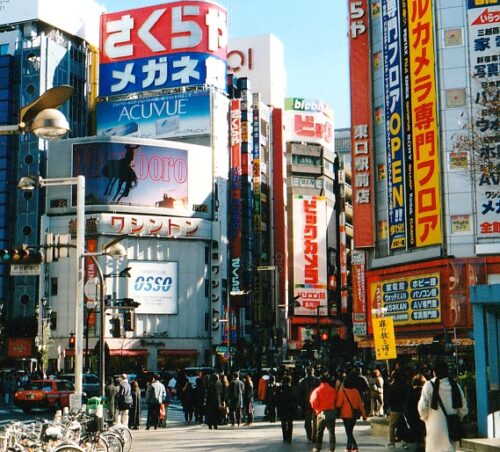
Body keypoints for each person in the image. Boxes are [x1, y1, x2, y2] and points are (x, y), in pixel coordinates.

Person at [418, 360, 468, 452]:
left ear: (434, 372)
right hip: (451, 430)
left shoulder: (428, 385)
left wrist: (425, 418)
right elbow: (463, 409)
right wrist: (457, 419)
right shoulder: (455, 386)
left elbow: (422, 407)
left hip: (434, 429)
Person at [336, 372, 367, 452]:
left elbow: (339, 404)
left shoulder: (342, 391)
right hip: (354, 415)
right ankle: (348, 447)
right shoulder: (356, 391)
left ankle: (355, 446)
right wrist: (364, 415)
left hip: (346, 415)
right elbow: (360, 404)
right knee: (350, 431)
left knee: (348, 432)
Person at [309, 373, 338, 452]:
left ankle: (317, 447)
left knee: (319, 432)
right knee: (331, 432)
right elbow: (336, 400)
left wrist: (317, 409)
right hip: (331, 412)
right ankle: (332, 449)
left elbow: (313, 402)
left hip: (321, 413)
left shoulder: (317, 390)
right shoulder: (332, 390)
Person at [400, 374, 426, 452]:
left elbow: (406, 411)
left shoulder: (410, 394)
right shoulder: (427, 394)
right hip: (426, 424)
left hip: (413, 426)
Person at [385, 369, 409, 448]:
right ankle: (404, 442)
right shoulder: (404, 385)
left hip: (394, 408)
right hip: (403, 408)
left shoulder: (392, 386)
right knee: (402, 425)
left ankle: (392, 442)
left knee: (392, 425)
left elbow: (389, 398)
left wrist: (388, 407)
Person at [298, 366, 320, 442]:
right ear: (313, 371)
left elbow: (300, 394)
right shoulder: (317, 380)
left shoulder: (302, 381)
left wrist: (300, 404)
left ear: (306, 372)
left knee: (307, 420)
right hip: (316, 403)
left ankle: (309, 435)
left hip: (307, 403)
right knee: (315, 420)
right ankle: (314, 435)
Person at [276, 374, 297, 444]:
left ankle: (285, 436)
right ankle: (289, 437)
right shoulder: (293, 388)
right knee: (290, 423)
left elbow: (277, 398)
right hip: (290, 408)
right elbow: (295, 399)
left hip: (282, 407)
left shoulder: (280, 388)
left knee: (283, 423)